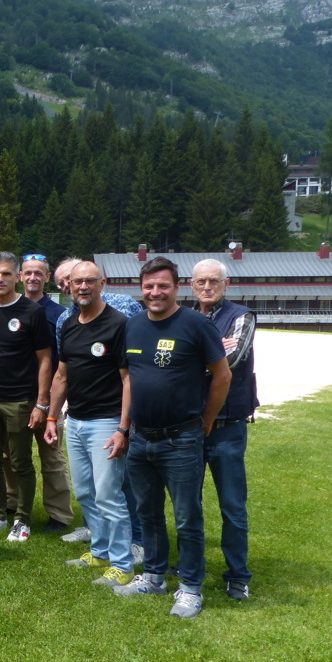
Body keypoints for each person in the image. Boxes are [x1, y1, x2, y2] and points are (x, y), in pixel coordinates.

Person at [115, 256, 231, 619]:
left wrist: (205, 421)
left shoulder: (196, 325)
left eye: (162, 286)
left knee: (187, 518)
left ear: (176, 288)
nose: (155, 292)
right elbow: (129, 379)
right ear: (141, 288)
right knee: (147, 513)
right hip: (141, 439)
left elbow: (222, 376)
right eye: (149, 286)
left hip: (181, 439)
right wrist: (124, 428)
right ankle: (153, 575)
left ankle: (191, 588)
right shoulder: (132, 327)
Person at [44, 262, 135, 587]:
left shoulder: (118, 323)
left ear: (102, 283)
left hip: (106, 422)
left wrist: (123, 428)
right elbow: (62, 375)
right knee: (85, 491)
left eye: (88, 281)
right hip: (76, 421)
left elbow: (128, 381)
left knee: (109, 494)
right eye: (76, 281)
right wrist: (53, 417)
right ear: (69, 285)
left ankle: (123, 564)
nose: (81, 287)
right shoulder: (69, 323)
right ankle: (99, 550)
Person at [191, 258, 258, 602]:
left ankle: (238, 574)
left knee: (232, 505)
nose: (207, 287)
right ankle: (192, 567)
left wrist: (194, 356)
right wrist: (216, 347)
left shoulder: (242, 317)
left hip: (227, 427)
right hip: (189, 426)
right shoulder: (184, 317)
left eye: (213, 281)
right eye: (201, 282)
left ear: (226, 284)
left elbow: (231, 361)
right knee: (190, 503)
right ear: (191, 285)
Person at [0, 251, 52, 542]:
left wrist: (41, 402)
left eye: (6, 273)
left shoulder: (31, 312)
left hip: (19, 400)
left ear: (17, 276)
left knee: (20, 462)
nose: (0, 279)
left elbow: (45, 359)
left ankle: (23, 519)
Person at [0, 253, 75, 534]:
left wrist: (52, 404)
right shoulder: (5, 307)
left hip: (47, 398)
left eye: (38, 273)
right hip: (12, 396)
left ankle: (59, 514)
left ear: (46, 277)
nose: (32, 277)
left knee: (51, 458)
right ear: (20, 276)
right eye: (27, 272)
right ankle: (12, 503)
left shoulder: (57, 315)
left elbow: (62, 361)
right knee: (9, 455)